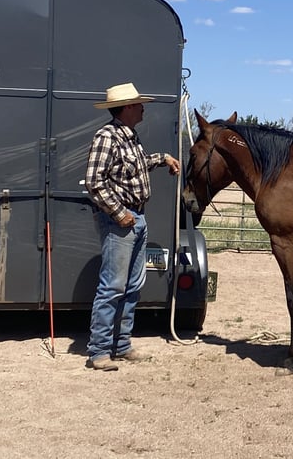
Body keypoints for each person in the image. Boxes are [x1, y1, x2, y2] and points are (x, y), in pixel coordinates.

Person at [84, 82, 180, 371]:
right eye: (138, 104)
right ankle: (99, 350)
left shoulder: (130, 137)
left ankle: (122, 344)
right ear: (126, 108)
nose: (142, 108)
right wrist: (118, 212)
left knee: (133, 285)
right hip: (121, 221)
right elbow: (94, 181)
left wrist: (162, 159)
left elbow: (135, 168)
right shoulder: (107, 137)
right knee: (113, 285)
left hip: (137, 218)